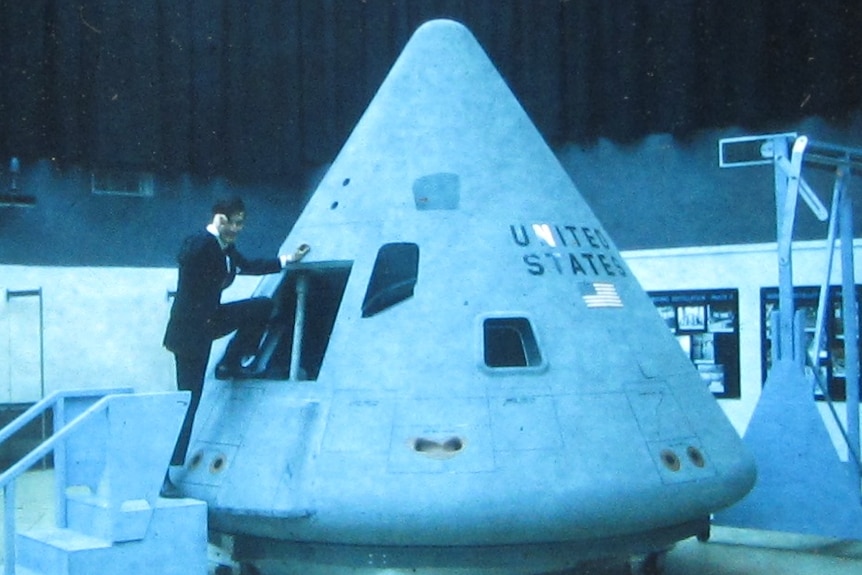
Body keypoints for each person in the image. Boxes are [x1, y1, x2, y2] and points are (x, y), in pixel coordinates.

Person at [161, 196, 308, 496]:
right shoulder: (202, 244)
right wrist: (211, 239)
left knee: (260, 307)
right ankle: (163, 473)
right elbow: (187, 254)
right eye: (236, 222)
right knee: (188, 402)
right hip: (190, 335)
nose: (240, 228)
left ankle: (232, 361)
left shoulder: (225, 249)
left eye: (242, 222)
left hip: (209, 322)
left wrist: (286, 261)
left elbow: (248, 265)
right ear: (221, 220)